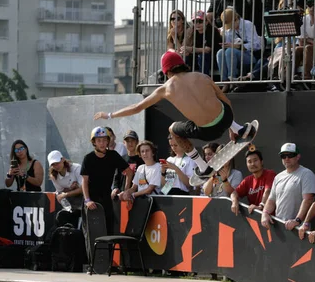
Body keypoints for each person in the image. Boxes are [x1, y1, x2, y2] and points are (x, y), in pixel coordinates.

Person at [93, 51, 256, 184]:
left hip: (208, 132)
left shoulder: (166, 88)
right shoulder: (202, 76)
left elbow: (137, 107)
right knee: (219, 102)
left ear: (166, 71)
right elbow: (225, 100)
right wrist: (230, 126)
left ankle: (202, 166)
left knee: (173, 129)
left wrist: (109, 115)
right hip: (226, 117)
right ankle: (239, 128)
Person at [81, 127, 132, 235]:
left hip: (106, 200)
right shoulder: (88, 158)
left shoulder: (113, 155)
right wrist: (87, 200)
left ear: (108, 141)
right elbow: (84, 181)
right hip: (91, 200)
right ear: (94, 142)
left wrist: (126, 190)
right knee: (91, 234)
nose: (102, 143)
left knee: (108, 231)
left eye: (104, 140)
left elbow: (129, 172)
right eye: (99, 140)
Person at [260, 143, 315, 231]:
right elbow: (271, 199)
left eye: (290, 155)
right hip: (280, 226)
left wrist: (297, 220)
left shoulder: (306, 174)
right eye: (283, 156)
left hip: (299, 229)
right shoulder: (278, 177)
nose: (286, 158)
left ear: (297, 157)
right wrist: (265, 213)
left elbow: (308, 200)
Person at [217, 8, 262, 86]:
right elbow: (229, 45)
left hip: (250, 56)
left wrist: (237, 46)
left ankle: (232, 79)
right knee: (220, 52)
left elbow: (256, 45)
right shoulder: (229, 30)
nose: (230, 27)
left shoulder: (248, 25)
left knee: (230, 51)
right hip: (234, 56)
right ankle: (225, 82)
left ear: (236, 19)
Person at [230, 150, 276, 215]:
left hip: (271, 218)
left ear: (261, 162)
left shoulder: (270, 174)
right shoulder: (247, 180)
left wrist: (261, 206)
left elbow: (268, 191)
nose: (252, 164)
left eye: (255, 160)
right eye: (249, 162)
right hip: (255, 219)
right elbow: (234, 193)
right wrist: (234, 202)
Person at [48, 150, 83, 229]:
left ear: (63, 159)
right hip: (71, 207)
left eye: (57, 162)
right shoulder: (54, 176)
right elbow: (60, 194)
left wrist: (66, 193)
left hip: (84, 203)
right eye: (53, 164)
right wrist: (70, 189)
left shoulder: (77, 168)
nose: (56, 166)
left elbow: (83, 189)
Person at [182, 11, 222, 76]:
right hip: (197, 59)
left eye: (200, 21)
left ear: (206, 22)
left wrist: (191, 49)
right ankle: (186, 81)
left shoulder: (212, 31)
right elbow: (184, 47)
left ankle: (203, 80)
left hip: (212, 60)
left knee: (203, 56)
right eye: (195, 22)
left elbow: (207, 50)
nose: (197, 24)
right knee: (187, 57)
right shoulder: (191, 32)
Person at [112, 130, 144, 199]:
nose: (130, 143)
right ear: (124, 143)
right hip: (122, 195)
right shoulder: (121, 159)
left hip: (137, 196)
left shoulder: (142, 159)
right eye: (127, 141)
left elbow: (143, 180)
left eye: (132, 140)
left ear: (137, 142)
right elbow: (116, 177)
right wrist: (115, 188)